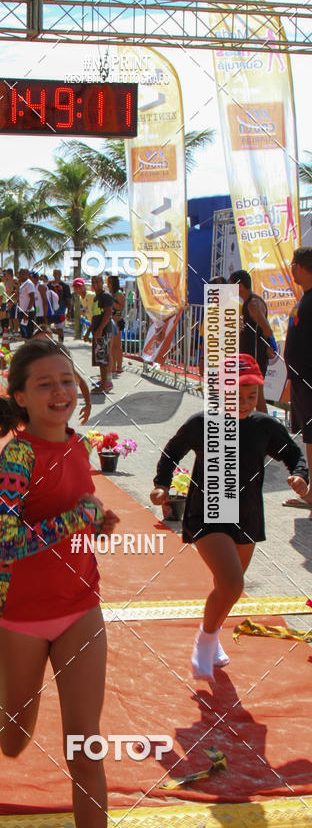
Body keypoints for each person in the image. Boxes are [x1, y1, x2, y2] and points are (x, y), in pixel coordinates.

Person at [0, 336, 118, 828]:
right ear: (22, 397)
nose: (60, 391)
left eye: (66, 380)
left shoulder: (77, 443)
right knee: (15, 743)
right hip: (18, 614)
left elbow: (77, 507)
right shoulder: (16, 457)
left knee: (85, 745)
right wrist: (71, 520)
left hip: (80, 608)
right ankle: (1, 689)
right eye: (44, 384)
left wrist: (96, 521)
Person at [150, 354, 308, 683]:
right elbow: (170, 452)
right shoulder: (201, 423)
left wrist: (299, 476)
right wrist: (161, 485)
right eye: (239, 395)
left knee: (228, 588)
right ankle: (204, 643)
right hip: (206, 515)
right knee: (233, 582)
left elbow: (294, 454)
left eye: (253, 396)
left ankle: (212, 633)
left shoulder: (263, 426)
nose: (247, 403)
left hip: (247, 516)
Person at [283, 246, 312, 507]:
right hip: (301, 382)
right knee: (308, 436)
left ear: (301, 266)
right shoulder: (304, 298)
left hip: (308, 381)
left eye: (293, 263)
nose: (290, 268)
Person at [229, 269, 277, 413]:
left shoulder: (253, 304)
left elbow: (267, 330)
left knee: (258, 397)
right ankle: (254, 425)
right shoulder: (247, 303)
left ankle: (266, 429)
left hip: (255, 358)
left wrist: (269, 346)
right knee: (248, 395)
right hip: (248, 357)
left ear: (240, 286)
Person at [90, 275, 114, 393]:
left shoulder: (106, 296)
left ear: (102, 282)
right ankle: (104, 384)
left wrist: (100, 329)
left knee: (103, 360)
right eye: (93, 282)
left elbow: (108, 313)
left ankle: (104, 386)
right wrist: (89, 331)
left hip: (103, 332)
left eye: (97, 282)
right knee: (100, 360)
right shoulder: (96, 298)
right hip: (97, 332)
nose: (94, 284)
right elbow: (95, 316)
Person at [107, 275, 125, 375]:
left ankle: (119, 366)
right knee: (111, 345)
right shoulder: (110, 293)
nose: (108, 284)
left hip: (117, 321)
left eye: (110, 282)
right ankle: (113, 366)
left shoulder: (119, 294)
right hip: (111, 320)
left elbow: (121, 308)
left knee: (116, 345)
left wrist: (112, 301)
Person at [49, 268, 72, 342]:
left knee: (60, 329)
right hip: (50, 310)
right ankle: (50, 344)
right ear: (53, 274)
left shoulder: (65, 286)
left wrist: (69, 311)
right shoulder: (49, 285)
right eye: (54, 273)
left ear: (60, 275)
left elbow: (68, 299)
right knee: (47, 328)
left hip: (61, 310)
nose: (56, 275)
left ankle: (61, 344)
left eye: (57, 273)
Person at [17, 267, 36, 339]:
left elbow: (32, 298)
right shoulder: (21, 284)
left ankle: (30, 349)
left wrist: (27, 312)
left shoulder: (29, 284)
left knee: (29, 333)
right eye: (20, 273)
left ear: (27, 274)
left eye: (22, 273)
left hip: (28, 312)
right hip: (21, 311)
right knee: (24, 334)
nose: (20, 274)